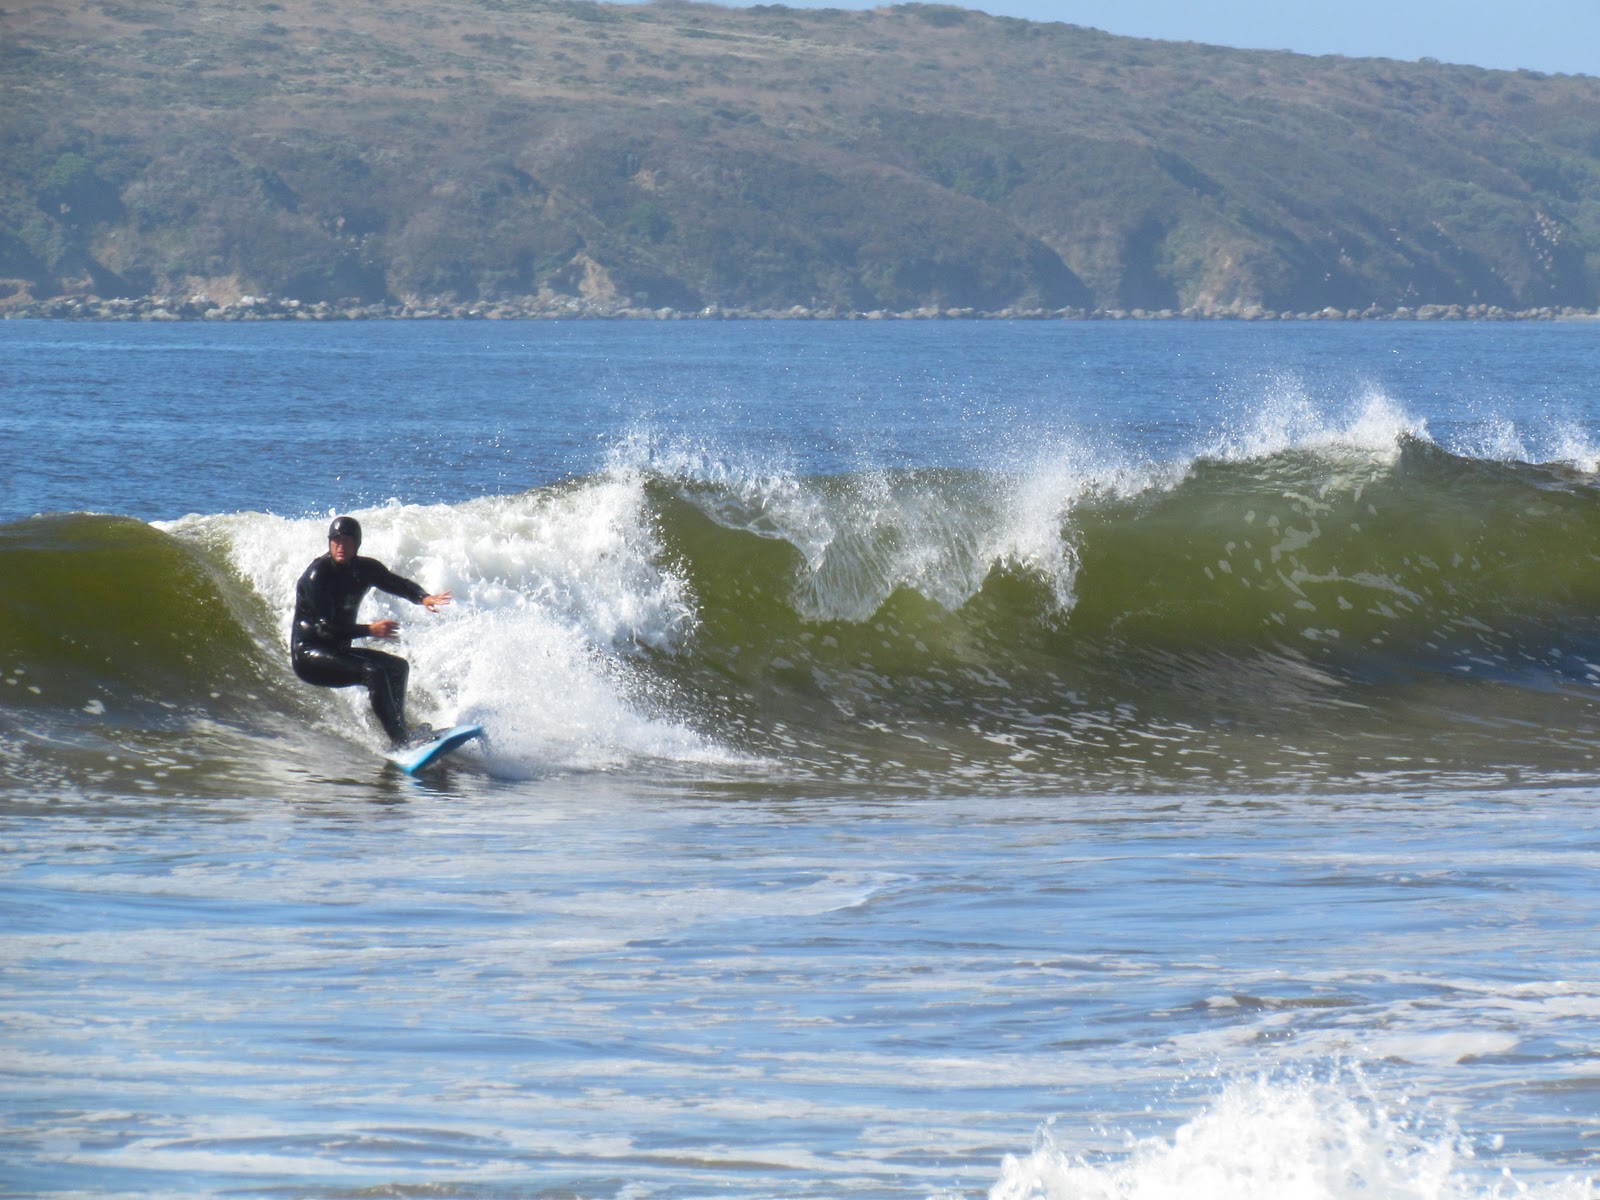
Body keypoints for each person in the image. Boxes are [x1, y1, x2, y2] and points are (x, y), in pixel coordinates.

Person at [290, 516, 452, 748]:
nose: (340, 546)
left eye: (346, 541)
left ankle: (402, 730)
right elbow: (324, 627)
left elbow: (396, 583)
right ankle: (401, 741)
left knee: (397, 667)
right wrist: (370, 630)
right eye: (335, 541)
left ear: (357, 543)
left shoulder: (365, 569)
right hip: (310, 656)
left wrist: (422, 597)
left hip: (338, 650)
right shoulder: (318, 575)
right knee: (372, 671)